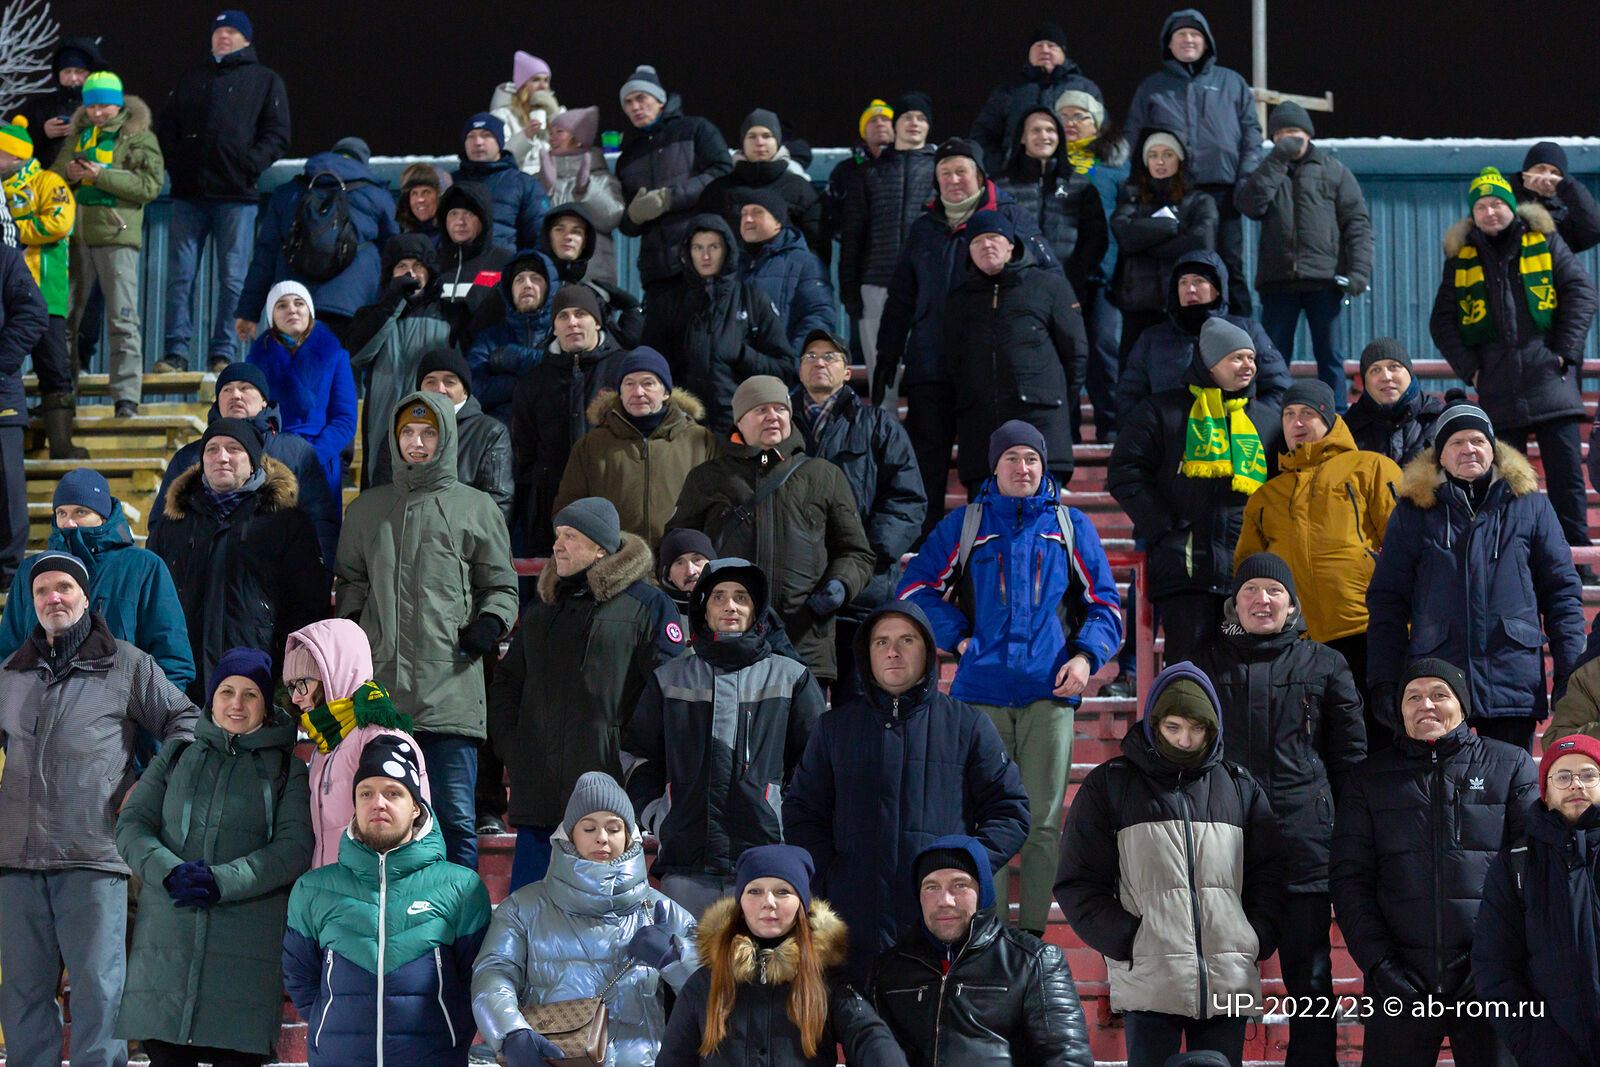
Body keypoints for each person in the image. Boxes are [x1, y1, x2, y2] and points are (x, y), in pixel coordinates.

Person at [900, 420, 1122, 936]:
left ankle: (1032, 940)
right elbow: (914, 590)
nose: (1023, 468)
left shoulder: (1068, 525)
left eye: (1032, 459)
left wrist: (1085, 658)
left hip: (1050, 693)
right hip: (981, 695)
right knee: (984, 821)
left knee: (1043, 823)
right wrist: (959, 639)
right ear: (994, 468)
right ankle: (988, 938)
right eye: (1012, 459)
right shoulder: (967, 525)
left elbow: (1106, 605)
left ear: (1044, 466)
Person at [0, 551, 197, 1067]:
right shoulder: (11, 673)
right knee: (21, 996)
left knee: (98, 993)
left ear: (86, 597)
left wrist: (152, 785)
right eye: (41, 591)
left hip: (92, 853)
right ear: (31, 602)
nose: (53, 598)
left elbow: (186, 721)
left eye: (64, 587)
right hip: (16, 860)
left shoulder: (125, 663)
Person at [1056, 661, 1285, 1067]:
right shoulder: (1109, 785)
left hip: (1228, 982)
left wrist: (1254, 936)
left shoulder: (1240, 787)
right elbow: (1078, 883)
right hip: (1149, 981)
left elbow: (1271, 874)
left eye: (1197, 728)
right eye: (1173, 727)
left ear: (1213, 728)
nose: (1184, 740)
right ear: (1153, 724)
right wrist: (1130, 940)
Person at [783, 602, 1028, 981]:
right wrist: (831, 877)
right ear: (867, 653)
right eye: (881, 642)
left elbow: (1010, 811)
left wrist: (962, 868)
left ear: (927, 651)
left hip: (940, 925)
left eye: (906, 640)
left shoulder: (968, 725)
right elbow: (802, 811)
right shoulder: (834, 728)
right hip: (852, 927)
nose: (893, 652)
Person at [1191, 553, 1366, 1067]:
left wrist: (1350, 838)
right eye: (1250, 590)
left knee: (1309, 976)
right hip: (1222, 845)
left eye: (1274, 590)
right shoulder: (1203, 665)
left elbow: (1350, 762)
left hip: (1303, 846)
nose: (1261, 600)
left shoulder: (1326, 664)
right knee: (1221, 975)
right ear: (1234, 603)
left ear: (1292, 605)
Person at [335, 391, 518, 869]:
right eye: (408, 434)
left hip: (451, 693)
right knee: (381, 824)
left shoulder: (476, 508)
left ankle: (460, 916)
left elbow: (501, 585)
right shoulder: (366, 510)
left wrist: (489, 622)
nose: (417, 443)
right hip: (381, 697)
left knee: (453, 821)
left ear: (447, 437)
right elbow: (350, 580)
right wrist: (354, 628)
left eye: (428, 433)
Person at [1329, 659, 1535, 1067]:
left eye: (1440, 694)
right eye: (1413, 697)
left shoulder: (1510, 765)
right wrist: (1380, 964)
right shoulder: (1368, 778)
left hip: (1491, 981)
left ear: (1462, 705)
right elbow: (1350, 880)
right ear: (1401, 709)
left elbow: (1531, 872)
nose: (1426, 704)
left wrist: (1498, 959)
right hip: (1399, 983)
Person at [114, 647, 313, 1067]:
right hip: (166, 957)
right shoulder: (176, 755)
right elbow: (132, 825)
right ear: (211, 699)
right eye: (226, 691)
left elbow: (293, 848)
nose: (236, 703)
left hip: (243, 964)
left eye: (250, 694)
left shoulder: (288, 770)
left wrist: (223, 881)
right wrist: (170, 873)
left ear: (266, 705)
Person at [1366, 402, 1585, 752]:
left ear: (1492, 449)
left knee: (1511, 782)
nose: (1468, 449)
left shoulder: (1530, 504)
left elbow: (1561, 593)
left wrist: (1569, 671)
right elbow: (1387, 601)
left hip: (1512, 682)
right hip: (1437, 687)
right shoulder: (1413, 512)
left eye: (1478, 441)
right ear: (1440, 455)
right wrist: (1384, 680)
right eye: (1456, 442)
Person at [489, 497, 685, 889]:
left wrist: (632, 761)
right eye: (557, 535)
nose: (557, 545)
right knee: (529, 915)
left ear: (600, 548)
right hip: (539, 804)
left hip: (607, 811)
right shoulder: (544, 608)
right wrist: (515, 748)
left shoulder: (647, 606)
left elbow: (668, 694)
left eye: (570, 536)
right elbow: (507, 684)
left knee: (605, 918)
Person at [874, 136, 1062, 534]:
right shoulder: (923, 227)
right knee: (925, 462)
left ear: (979, 174)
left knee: (988, 463)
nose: (953, 180)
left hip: (990, 368)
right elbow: (902, 295)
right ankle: (926, 543)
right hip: (931, 363)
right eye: (944, 173)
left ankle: (995, 539)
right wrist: (887, 352)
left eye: (961, 171)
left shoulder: (1011, 216)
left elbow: (1049, 280)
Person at [624, 559, 826, 915]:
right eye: (718, 596)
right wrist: (658, 814)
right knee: (684, 953)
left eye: (741, 597)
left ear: (757, 609)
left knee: (760, 954)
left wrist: (784, 817)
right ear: (702, 608)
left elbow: (816, 765)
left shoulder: (791, 677)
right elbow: (638, 756)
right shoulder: (669, 679)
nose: (730, 606)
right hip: (685, 862)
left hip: (768, 863)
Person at [282, 735, 491, 1067]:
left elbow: (478, 981)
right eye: (366, 793)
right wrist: (331, 1022)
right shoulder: (314, 889)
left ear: (416, 807)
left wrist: (449, 1033)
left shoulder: (461, 887)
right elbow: (301, 980)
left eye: (393, 793)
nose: (378, 803)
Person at [471, 772, 699, 1067]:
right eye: (589, 828)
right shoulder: (522, 908)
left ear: (628, 836)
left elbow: (716, 990)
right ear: (570, 835)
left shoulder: (660, 911)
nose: (602, 837)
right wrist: (510, 1032)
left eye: (613, 828)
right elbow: (494, 972)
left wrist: (677, 958)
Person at [1431, 166, 1598, 555]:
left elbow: (1582, 292)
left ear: (1511, 206)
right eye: (1481, 206)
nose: (1490, 212)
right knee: (1506, 487)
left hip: (1551, 382)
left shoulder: (1545, 240)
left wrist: (1564, 352)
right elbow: (1441, 321)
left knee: (1567, 483)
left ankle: (1577, 564)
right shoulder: (1461, 257)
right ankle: (1516, 558)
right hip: (1498, 389)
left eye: (1497, 204)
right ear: (1473, 214)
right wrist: (1472, 369)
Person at [668, 376, 875, 684]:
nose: (773, 416)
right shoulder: (707, 478)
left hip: (804, 642)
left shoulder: (823, 475)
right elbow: (678, 545)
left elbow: (856, 552)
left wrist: (840, 584)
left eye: (780, 409)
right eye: (761, 409)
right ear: (740, 421)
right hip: (727, 642)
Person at [1108, 317, 1272, 664]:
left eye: (1251, 358)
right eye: (1236, 357)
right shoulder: (1161, 411)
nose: (1248, 365)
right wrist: (1165, 527)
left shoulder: (1266, 420)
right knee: (1189, 677)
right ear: (1210, 363)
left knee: (1243, 679)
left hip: (1247, 578)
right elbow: (1125, 472)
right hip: (1185, 574)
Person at [1235, 380, 1400, 723]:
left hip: (1366, 631)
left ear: (1328, 419)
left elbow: (1407, 546)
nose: (1296, 422)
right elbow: (1247, 570)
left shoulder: (1370, 467)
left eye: (1307, 413)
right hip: (1297, 641)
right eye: (1289, 414)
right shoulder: (1266, 495)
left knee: (1378, 735)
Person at [655, 844, 909, 1067]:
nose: (768, 902)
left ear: (801, 903)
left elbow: (870, 1038)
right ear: (740, 903)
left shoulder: (829, 984)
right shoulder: (703, 984)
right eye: (754, 891)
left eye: (782, 891)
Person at [868, 835, 1093, 1067]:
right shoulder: (888, 969)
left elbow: (1068, 1059)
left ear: (983, 891)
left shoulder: (1033, 961)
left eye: (960, 885)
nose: (945, 901)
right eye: (931, 887)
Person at [148, 417, 327, 702]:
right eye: (212, 449)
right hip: (182, 687)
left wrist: (288, 680)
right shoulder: (171, 526)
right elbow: (152, 607)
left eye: (234, 448)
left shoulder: (287, 523)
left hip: (260, 681)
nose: (222, 457)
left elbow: (307, 608)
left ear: (253, 462)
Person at [789, 328, 924, 690]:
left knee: (862, 708)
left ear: (847, 372)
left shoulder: (879, 426)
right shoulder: (779, 427)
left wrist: (859, 564)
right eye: (810, 356)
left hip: (864, 595)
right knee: (801, 712)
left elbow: (907, 501)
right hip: (796, 600)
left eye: (829, 356)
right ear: (799, 369)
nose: (819, 362)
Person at [156, 10, 290, 372]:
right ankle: (175, 353)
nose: (223, 36)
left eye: (231, 31)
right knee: (180, 277)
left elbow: (278, 134)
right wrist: (177, 164)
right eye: (218, 31)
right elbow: (166, 127)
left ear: (247, 38)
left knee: (233, 280)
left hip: (236, 196)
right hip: (188, 193)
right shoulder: (193, 78)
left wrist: (248, 164)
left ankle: (224, 353)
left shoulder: (265, 80)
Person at [1, 468, 193, 693]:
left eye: (80, 512)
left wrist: (150, 713)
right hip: (40, 711)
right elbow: (8, 655)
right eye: (61, 513)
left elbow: (172, 658)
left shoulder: (143, 567)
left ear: (103, 516)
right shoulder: (31, 571)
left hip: (119, 711)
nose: (69, 523)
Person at [1125, 9, 1264, 317]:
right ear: (1169, 44)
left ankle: (1242, 334)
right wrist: (1135, 184)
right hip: (1173, 194)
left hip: (1224, 191)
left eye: (1194, 34)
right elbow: (1133, 139)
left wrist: (1245, 179)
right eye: (1180, 35)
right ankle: (1180, 332)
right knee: (1180, 267)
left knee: (1229, 265)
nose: (1188, 39)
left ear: (1206, 42)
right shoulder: (1152, 87)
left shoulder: (1231, 82)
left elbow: (1252, 134)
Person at [1235, 101, 1372, 410]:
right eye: (1281, 133)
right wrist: (1276, 160)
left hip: (1324, 281)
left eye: (1294, 132)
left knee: (1330, 356)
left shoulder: (1334, 171)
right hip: (1277, 281)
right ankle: (1271, 414)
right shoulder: (1268, 170)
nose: (1288, 138)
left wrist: (1358, 272)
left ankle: (1335, 416)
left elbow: (1357, 224)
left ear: (1309, 134)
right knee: (1272, 357)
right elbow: (1250, 206)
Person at [1474, 733, 1600, 1063]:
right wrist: (1533, 1044)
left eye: (1588, 774)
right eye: (1563, 776)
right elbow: (1495, 966)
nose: (1576, 784)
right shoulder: (1515, 864)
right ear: (1545, 791)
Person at [942, 210, 1087, 493]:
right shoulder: (959, 299)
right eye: (977, 241)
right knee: (985, 521)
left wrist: (1053, 402)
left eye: (993, 237)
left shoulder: (1050, 287)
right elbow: (953, 363)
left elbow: (1076, 355)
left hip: (1041, 434)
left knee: (1043, 520)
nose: (986, 245)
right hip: (981, 443)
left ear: (1011, 244)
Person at [50, 70, 164, 418]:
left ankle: (126, 398)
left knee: (122, 319)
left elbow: (150, 185)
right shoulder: (79, 134)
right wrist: (68, 175)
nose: (97, 113)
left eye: (104, 106)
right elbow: (52, 179)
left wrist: (101, 175)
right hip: (76, 237)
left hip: (117, 237)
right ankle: (60, 397)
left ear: (118, 104)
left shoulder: (138, 136)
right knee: (63, 321)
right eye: (91, 106)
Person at [150, 361, 341, 564]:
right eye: (227, 389)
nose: (235, 395)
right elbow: (162, 525)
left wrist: (323, 571)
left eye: (245, 388)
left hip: (278, 572)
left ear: (264, 400)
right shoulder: (189, 457)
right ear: (218, 401)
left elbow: (321, 519)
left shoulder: (296, 452)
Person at [282, 617, 432, 868]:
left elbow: (402, 840)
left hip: (369, 889)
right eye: (291, 687)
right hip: (333, 886)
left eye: (303, 684)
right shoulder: (327, 744)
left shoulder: (380, 740)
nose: (296, 697)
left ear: (333, 676)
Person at [234, 137, 397, 347]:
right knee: (342, 367)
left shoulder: (289, 192)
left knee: (296, 367)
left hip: (295, 308)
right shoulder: (377, 195)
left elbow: (265, 257)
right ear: (362, 164)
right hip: (353, 306)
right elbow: (393, 257)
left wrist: (249, 311)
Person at [640, 213, 792, 434]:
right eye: (698, 248)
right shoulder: (668, 304)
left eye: (714, 247)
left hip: (739, 429)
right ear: (687, 252)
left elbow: (785, 369)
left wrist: (743, 354)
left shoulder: (752, 300)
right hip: (681, 429)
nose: (706, 256)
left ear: (727, 250)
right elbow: (648, 368)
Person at [555, 346, 718, 548]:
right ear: (620, 392)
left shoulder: (700, 441)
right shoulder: (591, 445)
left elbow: (719, 508)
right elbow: (569, 509)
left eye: (648, 383)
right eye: (629, 384)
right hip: (614, 562)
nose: (638, 392)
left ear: (666, 392)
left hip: (683, 562)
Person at [509, 285, 628, 554]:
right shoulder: (533, 382)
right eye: (563, 316)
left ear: (597, 322)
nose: (572, 322)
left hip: (616, 508)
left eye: (581, 314)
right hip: (552, 513)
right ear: (554, 328)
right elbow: (525, 454)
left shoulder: (624, 370)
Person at [1117, 249, 1290, 421]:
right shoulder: (1153, 339)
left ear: (1217, 288)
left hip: (1235, 432)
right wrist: (1150, 428)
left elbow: (1279, 389)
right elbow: (1129, 396)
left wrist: (1250, 423)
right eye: (1183, 282)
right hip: (1169, 433)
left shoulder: (1247, 331)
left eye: (1199, 281)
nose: (1190, 289)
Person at [841, 91, 935, 399]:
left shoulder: (941, 171)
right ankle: (884, 427)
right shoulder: (869, 173)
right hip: (877, 284)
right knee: (882, 381)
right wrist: (850, 289)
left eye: (921, 118)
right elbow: (853, 235)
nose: (914, 123)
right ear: (895, 126)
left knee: (930, 374)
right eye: (907, 117)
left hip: (928, 287)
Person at [0, 114, 82, 458]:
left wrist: (15, 230)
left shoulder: (48, 182)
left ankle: (61, 444)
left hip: (46, 289)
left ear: (15, 154)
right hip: (6, 296)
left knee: (53, 366)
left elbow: (60, 222)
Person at [1050, 90, 1131, 441]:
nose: (1070, 123)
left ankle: (1111, 428)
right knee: (1062, 354)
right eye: (1064, 116)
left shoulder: (1115, 168)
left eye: (1079, 116)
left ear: (1096, 123)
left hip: (1103, 276)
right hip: (1061, 278)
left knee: (1102, 349)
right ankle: (1064, 432)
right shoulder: (1049, 166)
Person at [347, 232, 457, 483]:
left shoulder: (451, 315)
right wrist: (393, 301)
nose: (410, 273)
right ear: (390, 274)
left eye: (418, 266)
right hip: (384, 427)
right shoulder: (371, 314)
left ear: (430, 271)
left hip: (435, 426)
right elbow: (359, 354)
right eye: (402, 266)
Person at [614, 65, 732, 296]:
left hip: (702, 263)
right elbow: (626, 225)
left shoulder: (696, 129)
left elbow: (722, 174)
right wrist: (634, 216)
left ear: (660, 100)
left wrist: (669, 198)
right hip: (656, 274)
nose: (634, 107)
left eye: (641, 98)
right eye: (628, 102)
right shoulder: (628, 157)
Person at [993, 107, 1108, 334]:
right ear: (1022, 137)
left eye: (1050, 130)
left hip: (1067, 292)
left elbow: (1096, 239)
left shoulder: (1080, 184)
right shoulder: (1000, 186)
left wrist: (1076, 275)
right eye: (1035, 130)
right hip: (1015, 292)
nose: (1044, 136)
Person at [370, 349, 513, 527]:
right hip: (403, 534)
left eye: (449, 382)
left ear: (465, 391)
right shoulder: (399, 430)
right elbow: (382, 490)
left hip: (463, 537)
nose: (439, 389)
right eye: (430, 382)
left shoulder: (490, 432)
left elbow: (498, 503)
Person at [1111, 127, 1218, 359]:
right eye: (1153, 155)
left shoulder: (1199, 201)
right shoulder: (1132, 199)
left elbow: (1201, 241)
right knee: (1134, 369)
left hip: (1184, 303)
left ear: (1180, 160)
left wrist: (1146, 245)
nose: (1160, 161)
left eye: (1168, 154)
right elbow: (1124, 235)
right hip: (1139, 303)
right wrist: (1171, 228)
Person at [245, 280, 358, 502]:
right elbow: (250, 416)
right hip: (271, 464)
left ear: (309, 311)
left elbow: (344, 419)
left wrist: (312, 457)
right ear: (272, 316)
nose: (292, 310)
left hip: (320, 462)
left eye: (299, 303)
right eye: (282, 305)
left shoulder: (335, 357)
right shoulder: (255, 362)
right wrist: (271, 457)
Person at [698, 108, 826, 261]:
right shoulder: (718, 190)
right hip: (732, 275)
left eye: (767, 136)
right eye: (751, 136)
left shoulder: (801, 189)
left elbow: (817, 246)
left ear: (777, 141)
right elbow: (701, 240)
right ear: (743, 142)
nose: (759, 143)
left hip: (786, 275)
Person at [969, 22, 1103, 166]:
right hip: (1017, 173)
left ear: (1063, 52)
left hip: (1075, 170)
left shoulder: (1085, 88)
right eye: (1038, 46)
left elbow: (1103, 133)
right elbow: (982, 134)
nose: (1044, 50)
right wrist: (1000, 166)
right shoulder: (1009, 90)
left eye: (1051, 45)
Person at [465, 246, 559, 424]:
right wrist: (522, 381)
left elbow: (567, 376)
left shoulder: (561, 335)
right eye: (519, 280)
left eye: (536, 278)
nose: (527, 285)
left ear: (549, 288)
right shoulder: (489, 339)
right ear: (509, 290)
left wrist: (516, 358)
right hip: (501, 433)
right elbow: (473, 391)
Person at [0, 234, 47, 583]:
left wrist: (1, 362)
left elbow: (33, 313)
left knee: (7, 493)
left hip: (1, 400)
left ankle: (7, 577)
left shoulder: (6, 259)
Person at [536, 107, 626, 283]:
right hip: (548, 278)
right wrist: (544, 190)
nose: (552, 138)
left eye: (559, 132)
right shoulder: (541, 177)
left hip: (594, 277)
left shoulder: (601, 178)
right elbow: (532, 224)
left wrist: (587, 190)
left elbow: (612, 217)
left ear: (578, 139)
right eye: (551, 133)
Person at [736, 188, 833, 351]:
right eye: (744, 214)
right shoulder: (731, 264)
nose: (748, 219)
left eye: (757, 212)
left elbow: (818, 316)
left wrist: (793, 360)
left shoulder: (805, 264)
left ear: (778, 222)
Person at [538, 203, 644, 344]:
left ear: (585, 242)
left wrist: (632, 309)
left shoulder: (594, 294)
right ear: (548, 236)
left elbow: (623, 344)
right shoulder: (530, 284)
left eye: (576, 231)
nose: (568, 236)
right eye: (559, 229)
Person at [1342, 338, 1446, 467]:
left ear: (1409, 373)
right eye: (1375, 370)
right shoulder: (1349, 429)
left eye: (1394, 367)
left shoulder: (1439, 419)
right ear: (1365, 382)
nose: (1386, 377)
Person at [453, 112, 550, 252]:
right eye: (471, 136)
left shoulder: (525, 184)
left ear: (500, 142)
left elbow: (539, 236)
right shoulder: (451, 182)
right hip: (458, 264)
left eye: (486, 135)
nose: (478, 142)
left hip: (504, 264)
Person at [19, 37, 106, 165]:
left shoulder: (107, 105)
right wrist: (43, 134)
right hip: (48, 176)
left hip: (94, 174)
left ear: (91, 73)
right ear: (58, 74)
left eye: (79, 71)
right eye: (67, 71)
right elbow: (15, 148)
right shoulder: (38, 108)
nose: (73, 77)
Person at [434, 181, 514, 320]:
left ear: (483, 219)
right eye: (453, 214)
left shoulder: (504, 261)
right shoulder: (433, 262)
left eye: (469, 214)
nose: (460, 222)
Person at [1508, 140, 1600, 254]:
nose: (1546, 176)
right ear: (1526, 172)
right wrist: (1529, 196)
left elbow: (1594, 229)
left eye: (1554, 172)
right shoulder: (1504, 201)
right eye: (1540, 168)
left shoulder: (1562, 218)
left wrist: (1567, 186)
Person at [488, 50, 563, 177]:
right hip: (517, 181)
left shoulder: (554, 113)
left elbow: (571, 148)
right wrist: (525, 136)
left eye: (546, 80)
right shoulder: (502, 115)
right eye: (536, 80)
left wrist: (555, 116)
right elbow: (498, 157)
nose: (543, 86)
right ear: (522, 85)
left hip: (551, 182)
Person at [656, 527, 715, 625]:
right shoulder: (657, 616)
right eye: (680, 563)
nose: (690, 571)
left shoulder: (736, 605)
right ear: (668, 575)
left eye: (697, 560)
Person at [396, 161, 447, 237]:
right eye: (414, 193)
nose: (420, 199)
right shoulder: (404, 238)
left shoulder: (452, 235)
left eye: (426, 192)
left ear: (438, 195)